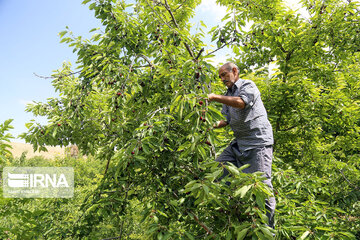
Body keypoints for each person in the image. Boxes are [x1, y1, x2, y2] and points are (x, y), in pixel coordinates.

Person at [207, 62, 276, 229]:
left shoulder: (247, 85)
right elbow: (226, 120)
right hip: (240, 143)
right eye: (220, 76)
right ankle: (237, 212)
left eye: (224, 74)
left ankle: (268, 230)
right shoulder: (227, 95)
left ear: (235, 71)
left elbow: (241, 103)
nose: (222, 79)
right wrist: (207, 124)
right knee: (216, 169)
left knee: (261, 188)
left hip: (257, 143)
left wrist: (213, 97)